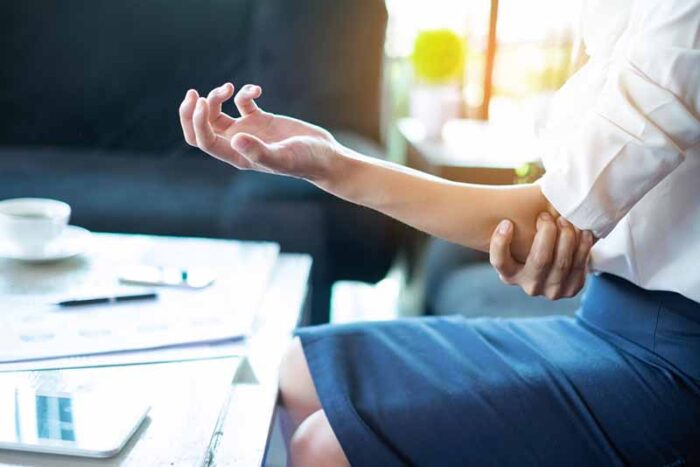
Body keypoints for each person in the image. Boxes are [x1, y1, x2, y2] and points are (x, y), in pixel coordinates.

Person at [179, 0, 699, 464]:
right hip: (604, 317)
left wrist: (332, 165)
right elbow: (568, 216)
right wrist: (566, 242)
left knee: (326, 446)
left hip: (677, 361)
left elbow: (543, 217)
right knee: (297, 368)